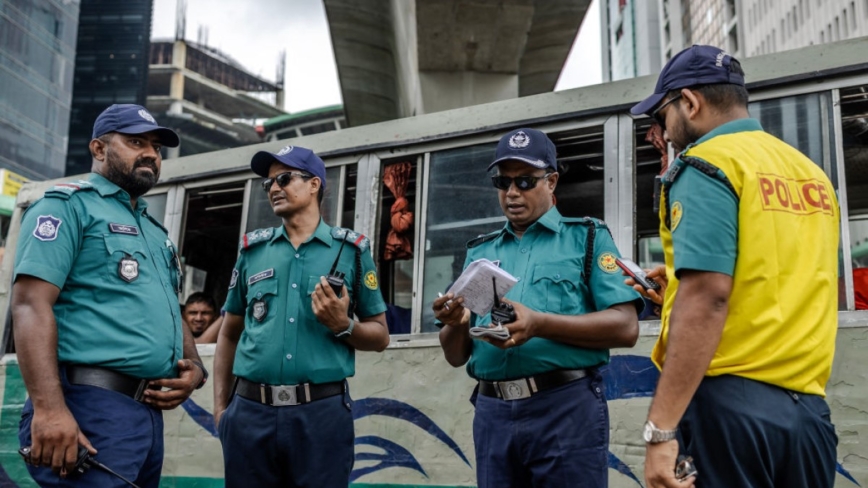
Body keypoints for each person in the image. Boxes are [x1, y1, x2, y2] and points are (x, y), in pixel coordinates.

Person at [630, 45, 840, 488]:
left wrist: (661, 430)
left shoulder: (707, 164)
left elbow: (708, 297)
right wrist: (678, 281)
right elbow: (783, 271)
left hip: (731, 412)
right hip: (807, 415)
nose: (664, 131)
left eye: (663, 115)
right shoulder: (811, 175)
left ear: (690, 102)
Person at [434, 128, 642, 488]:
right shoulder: (479, 253)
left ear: (552, 181)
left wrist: (539, 324)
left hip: (565, 409)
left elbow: (626, 327)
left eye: (526, 181)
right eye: (503, 181)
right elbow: (456, 356)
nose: (512, 192)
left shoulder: (587, 238)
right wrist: (455, 323)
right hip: (493, 411)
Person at [12, 104, 206, 487]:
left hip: (145, 414)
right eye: (136, 142)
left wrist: (195, 368)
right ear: (99, 149)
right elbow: (30, 305)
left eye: (156, 146)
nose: (150, 153)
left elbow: (169, 308)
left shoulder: (154, 232)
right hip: (88, 406)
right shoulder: (66, 207)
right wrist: (49, 411)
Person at [213, 144, 389, 488]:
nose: (274, 188)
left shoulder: (350, 251)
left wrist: (344, 326)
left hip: (321, 415)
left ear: (314, 185)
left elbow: (380, 336)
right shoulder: (252, 251)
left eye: (285, 178)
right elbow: (229, 332)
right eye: (269, 184)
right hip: (249, 413)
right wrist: (222, 410)